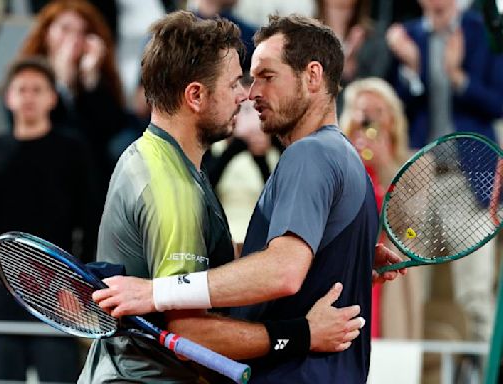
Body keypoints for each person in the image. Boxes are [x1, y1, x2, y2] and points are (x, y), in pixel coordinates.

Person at [89, 13, 406, 384]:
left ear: (313, 76)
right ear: (194, 95)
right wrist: (303, 327)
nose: (249, 93)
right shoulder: (339, 155)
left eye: (265, 77)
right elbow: (195, 328)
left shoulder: (309, 156)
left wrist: (328, 254)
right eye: (239, 81)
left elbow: (281, 269)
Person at [386, 0, 503, 343]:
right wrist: (413, 66)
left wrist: (457, 78)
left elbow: (498, 102)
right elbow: (394, 105)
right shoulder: (405, 36)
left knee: (476, 288)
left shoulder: (482, 31)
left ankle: (483, 370)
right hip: (418, 180)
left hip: (470, 183)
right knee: (405, 277)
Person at [0, 57, 99, 382]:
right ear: (8, 97)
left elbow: (91, 221)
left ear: (52, 97)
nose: (28, 97)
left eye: (37, 89)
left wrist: (79, 287)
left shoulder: (73, 149)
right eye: (21, 89)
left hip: (56, 288)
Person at [19, 0, 128, 201]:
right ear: (47, 33)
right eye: (65, 29)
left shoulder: (96, 78)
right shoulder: (28, 74)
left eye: (83, 32)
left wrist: (91, 80)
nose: (75, 39)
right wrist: (61, 86)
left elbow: (110, 130)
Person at [340, 77, 423, 340]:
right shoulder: (339, 159)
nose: (370, 120)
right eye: (363, 112)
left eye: (378, 112)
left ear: (392, 119)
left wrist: (386, 166)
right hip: (345, 269)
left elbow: (412, 228)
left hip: (388, 276)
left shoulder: (416, 163)